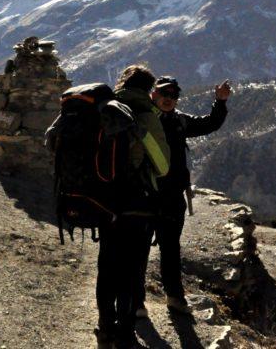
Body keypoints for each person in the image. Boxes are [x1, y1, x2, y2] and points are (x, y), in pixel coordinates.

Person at [136, 76, 231, 316]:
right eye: (164, 94)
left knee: (170, 249)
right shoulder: (141, 120)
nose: (169, 99)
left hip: (172, 198)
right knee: (139, 250)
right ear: (153, 95)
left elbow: (209, 124)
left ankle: (175, 297)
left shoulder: (179, 121)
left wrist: (219, 102)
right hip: (145, 195)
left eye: (174, 95)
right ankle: (136, 302)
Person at [96, 64, 170, 349]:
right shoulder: (146, 116)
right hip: (138, 206)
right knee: (130, 270)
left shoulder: (104, 109)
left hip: (105, 202)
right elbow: (162, 167)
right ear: (148, 90)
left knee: (107, 266)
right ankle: (125, 334)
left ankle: (105, 328)